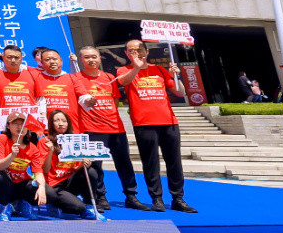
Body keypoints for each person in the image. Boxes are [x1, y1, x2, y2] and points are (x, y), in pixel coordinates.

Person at [117, 40, 195, 213]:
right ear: (126, 53)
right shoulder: (124, 70)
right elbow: (123, 82)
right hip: (144, 123)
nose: (137, 53)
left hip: (169, 121)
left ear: (147, 51)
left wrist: (176, 77)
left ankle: (178, 198)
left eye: (140, 49)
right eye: (132, 50)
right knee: (150, 163)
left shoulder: (159, 70)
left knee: (174, 162)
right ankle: (157, 199)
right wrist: (136, 67)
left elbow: (180, 92)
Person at [72, 46, 143, 211]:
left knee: (124, 163)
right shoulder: (76, 78)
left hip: (116, 128)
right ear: (81, 60)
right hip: (92, 128)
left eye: (94, 56)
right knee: (96, 165)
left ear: (99, 58)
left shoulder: (109, 77)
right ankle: (100, 196)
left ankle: (131, 196)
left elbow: (115, 100)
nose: (91, 60)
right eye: (87, 57)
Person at [31, 110, 99, 219]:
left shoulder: (74, 140)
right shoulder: (44, 141)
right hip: (54, 185)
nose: (61, 123)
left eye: (64, 121)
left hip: (69, 181)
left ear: (68, 123)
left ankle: (90, 206)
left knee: (91, 172)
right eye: (56, 121)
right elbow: (45, 170)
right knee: (78, 208)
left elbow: (75, 169)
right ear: (51, 124)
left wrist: (83, 164)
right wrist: (50, 151)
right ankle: (54, 203)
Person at [0, 110, 41, 219]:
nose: (19, 127)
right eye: (15, 123)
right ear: (8, 126)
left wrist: (42, 189)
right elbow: (0, 166)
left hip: (21, 183)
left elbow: (38, 172)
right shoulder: (1, 139)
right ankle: (5, 207)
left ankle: (23, 203)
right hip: (4, 183)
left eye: (22, 124)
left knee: (48, 191)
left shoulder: (32, 147)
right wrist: (12, 155)